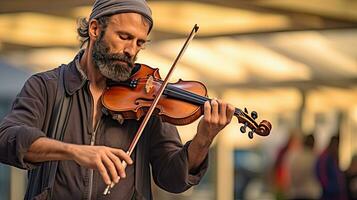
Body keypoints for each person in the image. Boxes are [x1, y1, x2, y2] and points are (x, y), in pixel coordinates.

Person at [0, 0, 235, 199]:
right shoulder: (46, 86)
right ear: (94, 29)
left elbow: (173, 178)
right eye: (124, 37)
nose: (131, 50)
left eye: (140, 43)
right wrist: (74, 151)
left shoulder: (148, 99)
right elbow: (7, 139)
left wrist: (203, 139)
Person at [286, 134, 321, 199]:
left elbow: (291, 174)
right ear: (313, 144)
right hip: (309, 193)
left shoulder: (295, 156)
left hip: (295, 193)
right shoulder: (314, 158)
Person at [315, 135, 347, 200]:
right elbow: (322, 175)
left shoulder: (333, 157)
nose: (337, 148)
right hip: (329, 194)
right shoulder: (324, 158)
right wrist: (328, 187)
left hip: (336, 193)